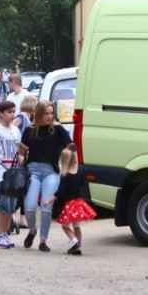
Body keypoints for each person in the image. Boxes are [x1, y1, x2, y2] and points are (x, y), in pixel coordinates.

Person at [18, 99, 72, 252]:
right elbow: (22, 155)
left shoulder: (58, 130)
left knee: (46, 207)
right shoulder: (29, 130)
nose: (49, 116)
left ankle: (43, 240)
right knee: (29, 207)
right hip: (32, 171)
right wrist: (21, 155)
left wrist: (72, 159)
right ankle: (32, 230)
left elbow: (71, 147)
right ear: (39, 114)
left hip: (51, 172)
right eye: (46, 113)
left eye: (51, 113)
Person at [45, 144, 97, 255]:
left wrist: (49, 200)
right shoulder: (80, 173)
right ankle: (78, 246)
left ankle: (75, 242)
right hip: (79, 203)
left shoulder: (65, 175)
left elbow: (60, 192)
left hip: (70, 204)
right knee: (76, 226)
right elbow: (84, 183)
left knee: (65, 226)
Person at [0, 100, 23, 249]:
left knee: (12, 206)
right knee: (4, 204)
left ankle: (4, 234)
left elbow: (18, 153)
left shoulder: (16, 131)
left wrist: (24, 164)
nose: (12, 114)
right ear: (0, 114)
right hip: (1, 172)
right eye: (9, 112)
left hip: (14, 173)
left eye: (14, 111)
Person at [11, 93, 37, 228]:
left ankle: (21, 216)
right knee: (20, 185)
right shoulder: (21, 117)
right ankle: (15, 214)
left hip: (24, 154)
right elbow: (13, 130)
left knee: (25, 186)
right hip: (19, 155)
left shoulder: (28, 118)